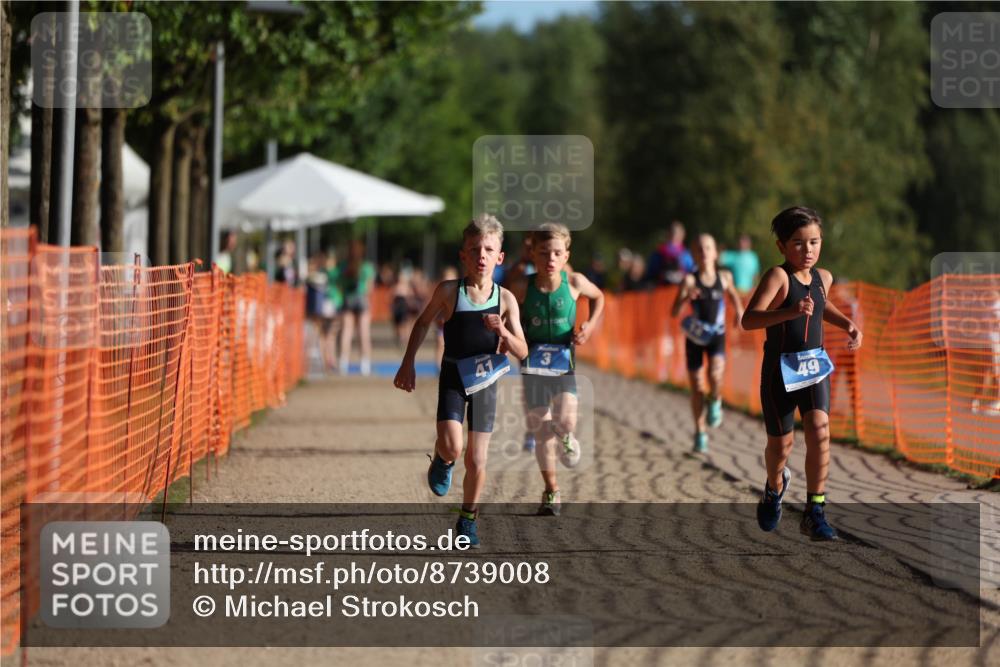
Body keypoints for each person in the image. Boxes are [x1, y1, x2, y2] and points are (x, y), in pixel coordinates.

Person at [393, 215, 528, 547]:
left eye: (489, 249)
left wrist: (503, 331)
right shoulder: (449, 291)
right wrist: (407, 362)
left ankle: (468, 520)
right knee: (453, 446)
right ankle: (442, 459)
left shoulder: (506, 299)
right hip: (453, 375)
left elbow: (523, 350)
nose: (481, 255)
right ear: (463, 255)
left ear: (500, 257)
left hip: (487, 382)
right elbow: (423, 324)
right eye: (474, 249)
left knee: (478, 459)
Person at [741, 206, 862, 542]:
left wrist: (847, 324)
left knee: (820, 429)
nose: (807, 250)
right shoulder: (777, 277)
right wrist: (789, 311)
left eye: (814, 242)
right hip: (779, 371)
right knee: (781, 447)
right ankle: (773, 487)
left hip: (813, 367)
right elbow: (749, 320)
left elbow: (823, 305)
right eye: (797, 243)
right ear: (781, 246)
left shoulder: (823, 277)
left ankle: (816, 511)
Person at [510, 223, 604, 516]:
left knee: (564, 422)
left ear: (566, 256)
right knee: (540, 431)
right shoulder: (522, 287)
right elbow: (504, 309)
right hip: (533, 368)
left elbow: (599, 297)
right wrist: (511, 336)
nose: (550, 258)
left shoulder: (574, 282)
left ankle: (566, 436)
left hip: (564, 367)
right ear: (533, 255)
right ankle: (552, 491)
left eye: (557, 253)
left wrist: (589, 326)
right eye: (544, 253)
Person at [671, 233, 744, 453]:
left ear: (715, 253)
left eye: (708, 248)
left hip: (717, 335)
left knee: (715, 375)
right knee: (697, 386)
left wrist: (739, 312)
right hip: (695, 336)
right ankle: (700, 431)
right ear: (693, 254)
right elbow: (674, 312)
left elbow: (733, 295)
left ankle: (716, 400)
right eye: (700, 249)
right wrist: (686, 297)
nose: (704, 253)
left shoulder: (725, 277)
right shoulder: (689, 280)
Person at [337, 239, 376, 376]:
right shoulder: (367, 267)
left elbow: (339, 284)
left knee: (346, 332)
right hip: (362, 300)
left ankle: (343, 363)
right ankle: (365, 365)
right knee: (364, 333)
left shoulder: (343, 266)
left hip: (348, 299)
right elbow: (370, 288)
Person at [647, 221, 695, 286]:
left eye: (676, 233)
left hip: (674, 289)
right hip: (664, 290)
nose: (675, 236)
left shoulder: (686, 254)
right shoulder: (686, 255)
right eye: (673, 233)